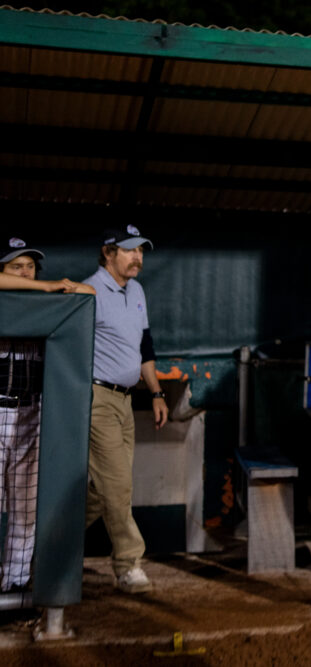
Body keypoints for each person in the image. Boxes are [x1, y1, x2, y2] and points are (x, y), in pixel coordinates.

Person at [0, 237, 94, 593]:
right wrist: (44, 286)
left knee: (25, 508)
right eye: (16, 266)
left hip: (29, 414)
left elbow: (89, 295)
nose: (25, 271)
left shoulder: (50, 308)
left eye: (30, 266)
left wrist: (60, 289)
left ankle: (16, 581)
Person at [82, 224, 168, 594]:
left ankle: (49, 546)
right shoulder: (89, 291)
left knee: (104, 492)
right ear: (108, 252)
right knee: (118, 485)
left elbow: (144, 346)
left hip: (127, 399)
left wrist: (156, 392)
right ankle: (129, 564)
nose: (138, 257)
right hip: (97, 398)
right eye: (130, 250)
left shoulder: (137, 290)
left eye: (142, 251)